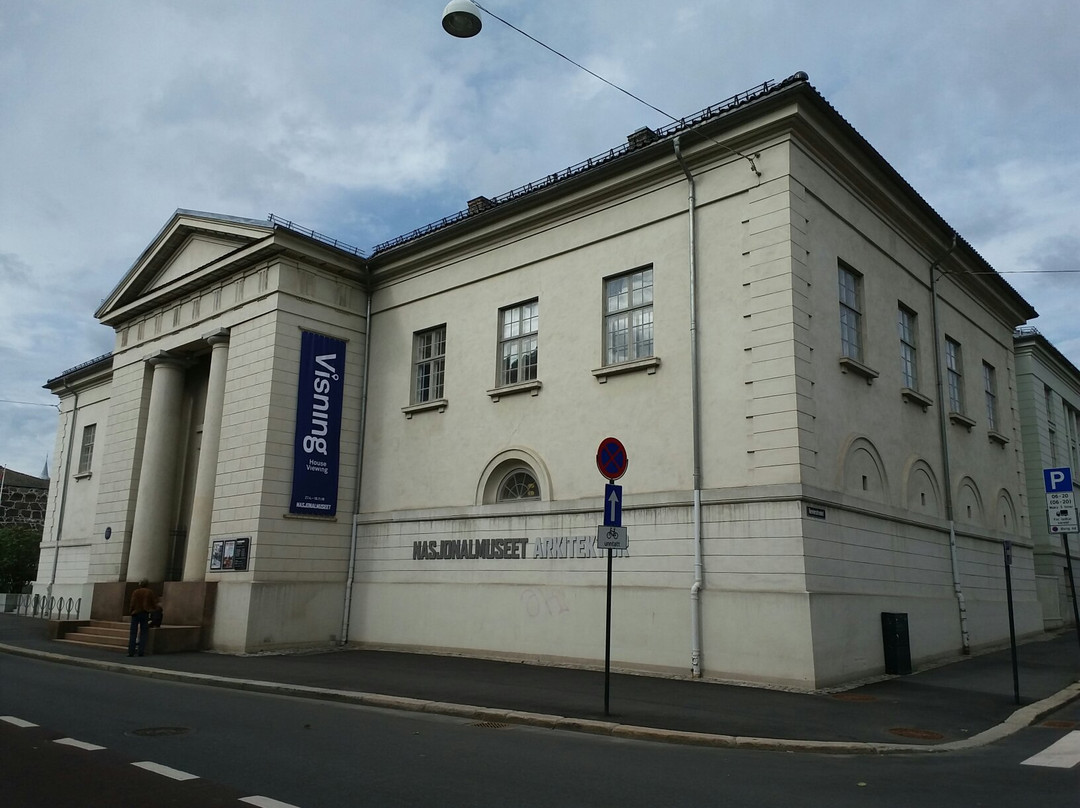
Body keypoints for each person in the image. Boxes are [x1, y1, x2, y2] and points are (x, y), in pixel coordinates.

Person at [127, 580, 157, 657]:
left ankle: (131, 652)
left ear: (140, 584)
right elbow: (153, 603)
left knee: (133, 633)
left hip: (135, 613)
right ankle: (141, 651)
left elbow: (132, 602)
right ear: (147, 584)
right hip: (145, 613)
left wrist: (131, 611)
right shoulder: (149, 592)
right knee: (144, 633)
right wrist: (153, 609)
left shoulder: (136, 592)